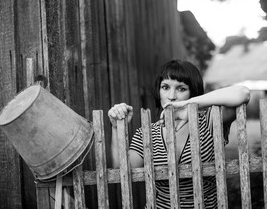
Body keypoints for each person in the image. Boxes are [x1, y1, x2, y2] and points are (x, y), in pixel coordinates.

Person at [107, 59, 250, 208]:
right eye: (165, 87)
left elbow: (242, 93)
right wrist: (117, 127)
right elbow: (121, 169)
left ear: (193, 92)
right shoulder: (147, 133)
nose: (172, 96)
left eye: (181, 89)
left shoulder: (208, 122)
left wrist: (189, 105)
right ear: (159, 91)